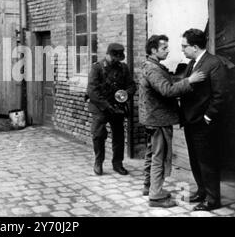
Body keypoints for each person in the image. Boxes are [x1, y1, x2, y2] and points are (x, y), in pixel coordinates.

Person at [139, 35, 205, 208]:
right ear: (153, 50)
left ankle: (149, 187)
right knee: (159, 157)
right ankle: (156, 196)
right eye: (164, 48)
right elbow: (167, 90)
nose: (168, 50)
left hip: (154, 118)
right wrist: (189, 80)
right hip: (158, 120)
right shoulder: (152, 69)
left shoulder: (153, 66)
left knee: (151, 154)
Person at [180, 28, 226, 211]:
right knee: (195, 159)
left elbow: (221, 95)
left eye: (184, 46)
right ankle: (202, 191)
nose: (182, 50)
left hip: (203, 123)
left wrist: (208, 116)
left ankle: (213, 200)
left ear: (195, 46)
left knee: (207, 161)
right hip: (191, 121)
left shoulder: (214, 63)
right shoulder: (193, 63)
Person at [87, 43, 136, 176]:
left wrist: (125, 95)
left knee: (119, 136)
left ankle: (118, 163)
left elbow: (131, 85)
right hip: (100, 108)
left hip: (117, 107)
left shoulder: (123, 68)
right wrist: (106, 106)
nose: (116, 60)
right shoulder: (97, 68)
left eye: (119, 58)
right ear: (107, 54)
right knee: (98, 135)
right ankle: (98, 162)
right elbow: (92, 91)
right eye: (114, 57)